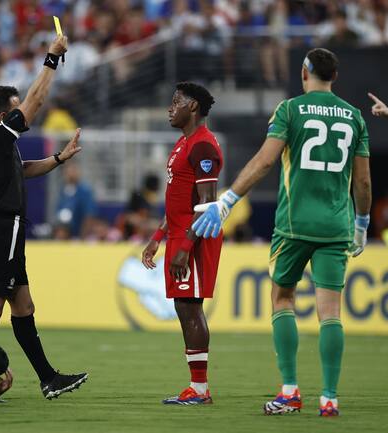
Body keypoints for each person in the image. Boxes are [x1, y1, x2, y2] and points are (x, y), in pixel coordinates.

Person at [192, 48, 372, 417]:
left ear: (305, 73)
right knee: (331, 313)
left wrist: (226, 202)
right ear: (334, 77)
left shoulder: (290, 110)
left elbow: (264, 161)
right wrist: (362, 225)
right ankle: (330, 398)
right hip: (337, 226)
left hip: (294, 225)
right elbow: (364, 182)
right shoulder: (355, 117)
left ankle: (290, 391)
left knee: (283, 299)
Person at [0, 34, 88, 400]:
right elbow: (36, 100)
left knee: (24, 306)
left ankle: (48, 378)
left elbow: (26, 169)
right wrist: (51, 59)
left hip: (6, 230)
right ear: (4, 116)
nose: (25, 116)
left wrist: (60, 159)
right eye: (15, 111)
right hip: (1, 229)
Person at [140, 82, 222, 406]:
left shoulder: (203, 145)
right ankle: (196, 388)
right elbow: (177, 199)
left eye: (176, 102)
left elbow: (207, 204)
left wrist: (186, 246)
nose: (170, 108)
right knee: (183, 306)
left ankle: (200, 390)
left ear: (193, 107)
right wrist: (158, 237)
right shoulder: (183, 143)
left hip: (195, 236)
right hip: (179, 234)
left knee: (190, 306)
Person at [55, 162, 97, 238]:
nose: (70, 174)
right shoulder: (63, 190)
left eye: (73, 171)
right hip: (64, 235)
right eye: (68, 172)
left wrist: (82, 237)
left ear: (78, 172)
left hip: (78, 235)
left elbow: (89, 215)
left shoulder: (85, 190)